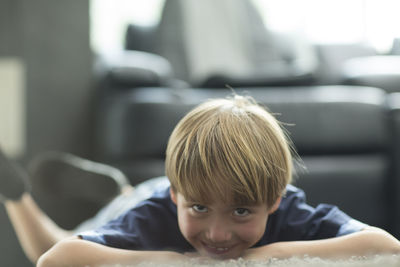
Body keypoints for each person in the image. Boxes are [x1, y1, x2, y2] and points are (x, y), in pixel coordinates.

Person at [1, 95, 399, 267]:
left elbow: (389, 249)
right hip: (146, 199)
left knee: (126, 209)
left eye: (241, 211)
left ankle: (117, 188)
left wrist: (264, 255)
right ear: (177, 196)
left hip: (167, 192)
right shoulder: (153, 215)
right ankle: (15, 194)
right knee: (55, 236)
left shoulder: (292, 213)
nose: (218, 233)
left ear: (275, 200)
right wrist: (175, 261)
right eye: (200, 209)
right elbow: (54, 259)